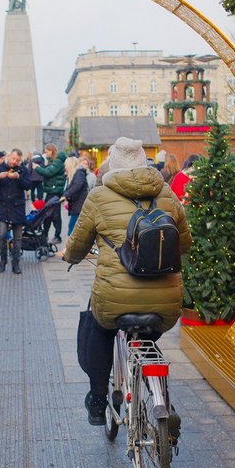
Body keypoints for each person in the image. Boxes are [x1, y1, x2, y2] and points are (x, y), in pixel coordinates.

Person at [63, 137, 193, 425]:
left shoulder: (98, 196)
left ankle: (98, 399)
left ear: (112, 163)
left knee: (97, 326)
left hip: (114, 301)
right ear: (143, 162)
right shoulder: (167, 193)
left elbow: (77, 247)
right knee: (146, 337)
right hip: (166, 302)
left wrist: (69, 255)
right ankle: (160, 399)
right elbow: (185, 243)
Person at [0, 148, 32, 274]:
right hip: (3, 206)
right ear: (9, 156)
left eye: (17, 160)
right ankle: (3, 259)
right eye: (13, 158)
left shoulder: (22, 170)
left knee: (18, 238)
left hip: (18, 208)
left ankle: (16, 263)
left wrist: (18, 178)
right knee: (2, 235)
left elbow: (28, 185)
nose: (14, 162)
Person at [33, 143, 66, 244]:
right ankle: (45, 235)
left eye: (46, 151)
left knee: (55, 215)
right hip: (51, 191)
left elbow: (48, 172)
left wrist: (36, 168)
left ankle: (57, 236)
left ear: (51, 151)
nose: (45, 153)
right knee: (47, 214)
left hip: (55, 192)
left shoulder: (58, 162)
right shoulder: (53, 161)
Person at [62, 156, 89, 236]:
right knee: (74, 229)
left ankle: (68, 248)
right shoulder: (76, 174)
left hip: (79, 206)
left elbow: (77, 186)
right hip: (77, 206)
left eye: (66, 165)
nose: (65, 167)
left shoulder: (79, 173)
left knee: (72, 230)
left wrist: (65, 195)